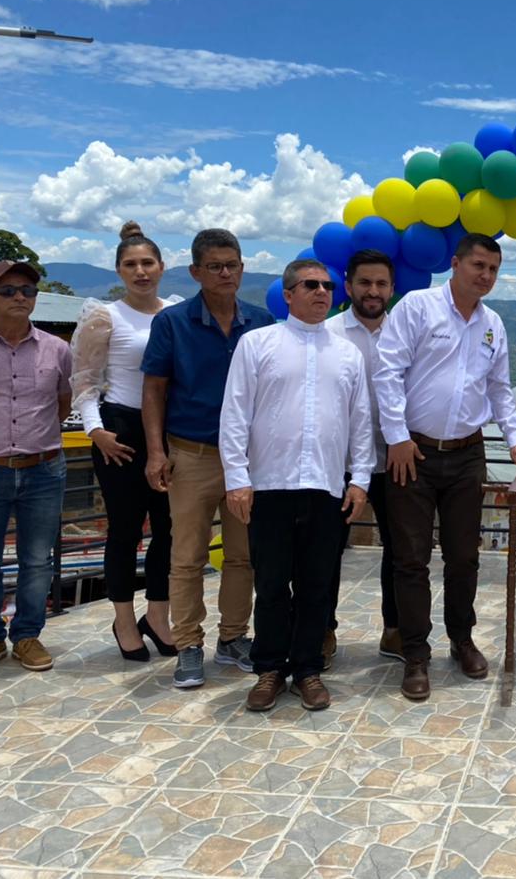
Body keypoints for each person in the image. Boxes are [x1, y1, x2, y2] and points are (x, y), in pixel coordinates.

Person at [374, 233, 516, 701]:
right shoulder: (417, 309)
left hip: (468, 455)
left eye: (493, 270)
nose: (485, 277)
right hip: (415, 454)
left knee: (464, 557)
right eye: (478, 266)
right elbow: (387, 373)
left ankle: (461, 638)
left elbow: (499, 391)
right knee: (410, 559)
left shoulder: (493, 325)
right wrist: (398, 438)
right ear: (455, 264)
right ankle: (415, 654)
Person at [220, 259, 373, 712]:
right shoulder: (257, 344)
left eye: (328, 286)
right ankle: (269, 668)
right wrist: (236, 479)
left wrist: (360, 478)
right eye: (311, 285)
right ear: (288, 294)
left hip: (325, 486)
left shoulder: (347, 354)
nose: (322, 292)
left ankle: (306, 669)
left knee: (315, 585)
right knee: (269, 584)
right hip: (269, 484)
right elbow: (235, 414)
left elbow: (360, 421)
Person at [141, 228, 275, 689]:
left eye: (232, 264)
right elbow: (154, 390)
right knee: (187, 556)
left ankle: (234, 637)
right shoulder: (172, 323)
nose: (225, 273)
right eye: (215, 266)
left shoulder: (262, 322)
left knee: (242, 556)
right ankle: (188, 646)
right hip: (191, 454)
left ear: (243, 268)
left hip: (246, 460)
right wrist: (156, 451)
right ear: (196, 272)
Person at [69, 222, 181, 661]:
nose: (140, 271)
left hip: (169, 429)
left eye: (147, 263)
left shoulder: (174, 312)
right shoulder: (105, 317)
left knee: (169, 530)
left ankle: (157, 613)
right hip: (120, 429)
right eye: (131, 264)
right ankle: (122, 618)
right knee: (124, 531)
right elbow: (85, 383)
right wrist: (96, 433)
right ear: (118, 270)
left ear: (161, 267)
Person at [0, 260, 71, 676]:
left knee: (37, 560)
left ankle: (27, 635)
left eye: (27, 291)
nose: (19, 297)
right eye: (8, 290)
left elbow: (62, 403)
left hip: (43, 469)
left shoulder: (57, 349)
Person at [324, 249, 401, 665]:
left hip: (394, 459)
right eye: (365, 283)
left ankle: (395, 631)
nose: (373, 291)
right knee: (326, 549)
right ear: (349, 286)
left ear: (392, 288)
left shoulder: (403, 334)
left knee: (401, 549)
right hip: (340, 463)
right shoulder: (329, 333)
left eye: (381, 284)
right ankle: (323, 630)